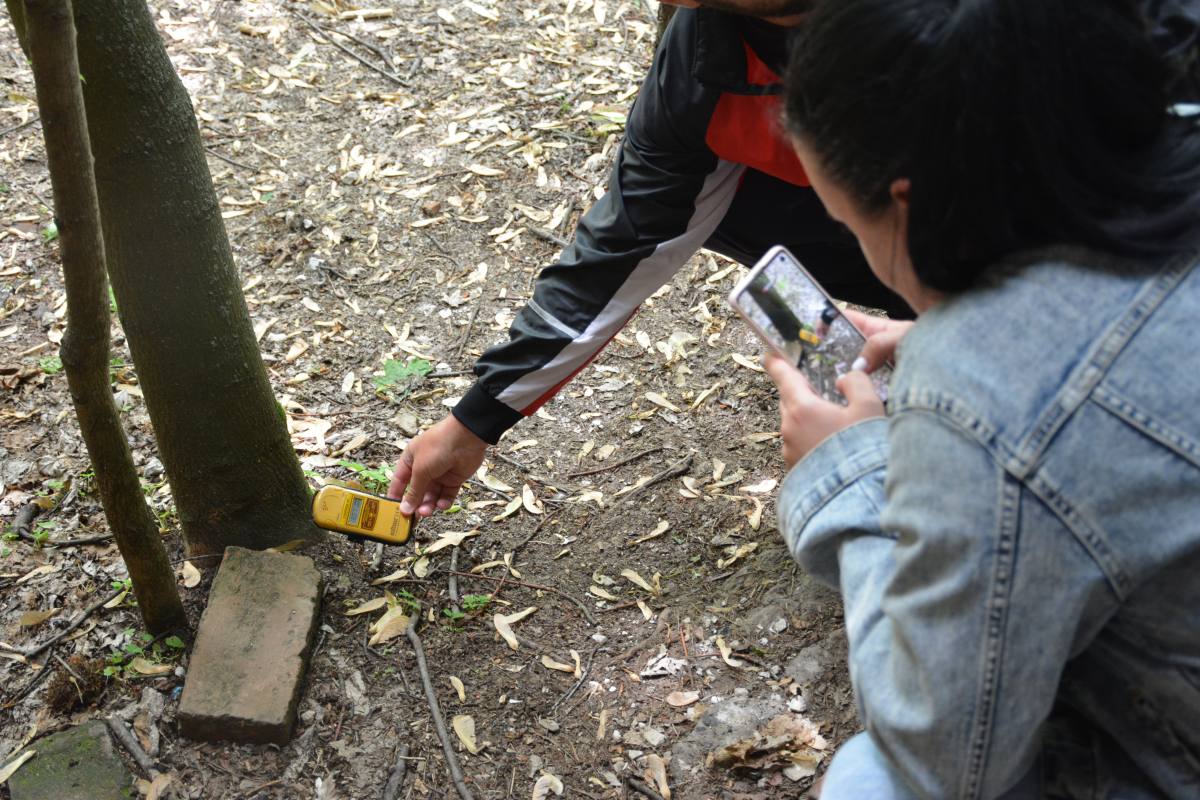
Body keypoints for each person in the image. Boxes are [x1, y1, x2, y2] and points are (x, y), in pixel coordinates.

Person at [763, 0, 1200, 798]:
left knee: (872, 782)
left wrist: (851, 474)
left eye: (846, 221)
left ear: (909, 204)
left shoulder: (990, 401)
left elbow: (942, 761)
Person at [387, 0, 914, 515]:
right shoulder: (705, 59)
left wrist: (854, 465)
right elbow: (627, 240)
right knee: (780, 283)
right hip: (891, 257)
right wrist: (473, 421)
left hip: (965, 244)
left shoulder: (956, 41)